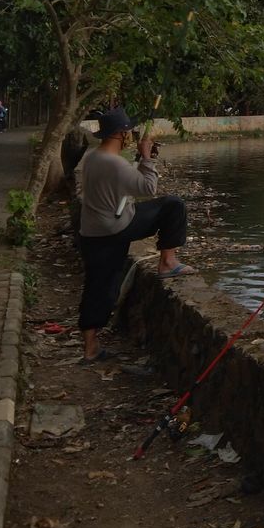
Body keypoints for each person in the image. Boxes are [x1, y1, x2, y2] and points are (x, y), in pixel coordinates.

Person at [76, 107, 194, 363]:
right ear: (120, 134)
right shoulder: (115, 164)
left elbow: (124, 181)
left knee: (96, 286)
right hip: (115, 228)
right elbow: (148, 188)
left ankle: (90, 347)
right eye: (128, 131)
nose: (130, 134)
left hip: (91, 232)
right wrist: (147, 158)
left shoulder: (94, 158)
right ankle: (168, 262)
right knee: (173, 205)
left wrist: (141, 160)